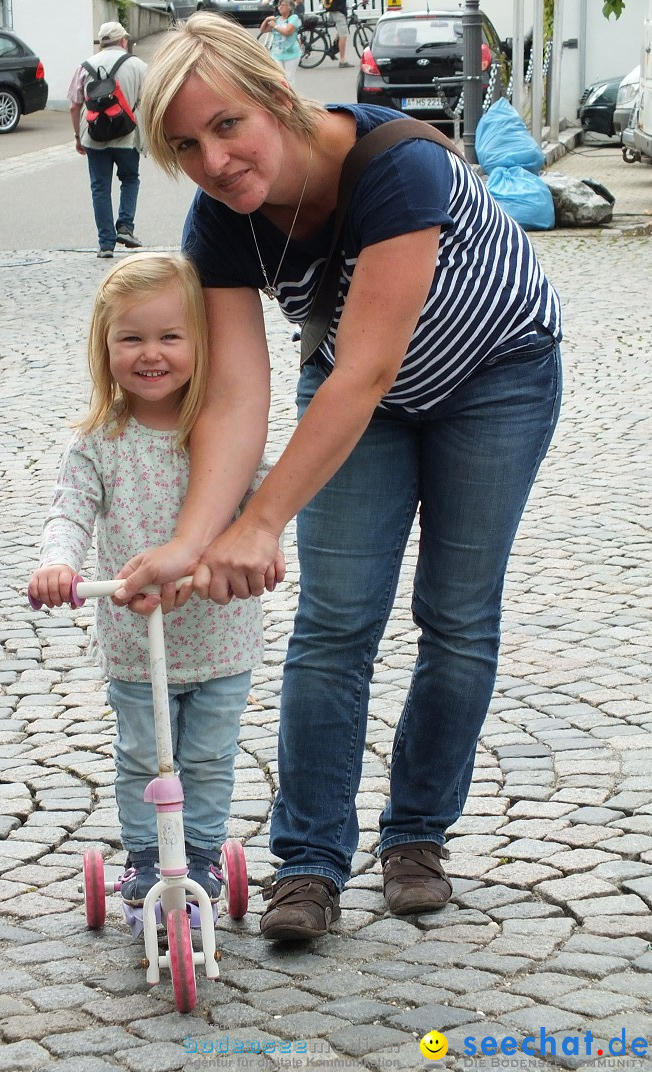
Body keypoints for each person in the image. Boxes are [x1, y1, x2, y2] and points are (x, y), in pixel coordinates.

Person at [112, 13, 563, 939]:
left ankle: (415, 838)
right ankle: (309, 862)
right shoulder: (220, 222)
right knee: (332, 622)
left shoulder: (400, 164)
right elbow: (237, 396)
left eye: (228, 125)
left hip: (498, 378)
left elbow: (366, 367)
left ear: (280, 97)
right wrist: (196, 539)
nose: (214, 162)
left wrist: (263, 520)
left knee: (458, 615)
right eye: (187, 147)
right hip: (366, 393)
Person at [28, 253, 266, 906]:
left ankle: (202, 856)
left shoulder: (220, 431)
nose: (150, 354)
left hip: (220, 635)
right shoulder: (99, 442)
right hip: (136, 642)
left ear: (201, 342)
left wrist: (263, 551)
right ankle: (142, 859)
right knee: (140, 754)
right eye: (131, 338)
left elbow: (256, 508)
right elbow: (70, 509)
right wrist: (59, 564)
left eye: (170, 336)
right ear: (104, 349)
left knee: (211, 756)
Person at [67, 21, 147, 258]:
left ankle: (105, 244)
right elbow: (150, 101)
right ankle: (125, 227)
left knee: (100, 188)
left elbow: (74, 105)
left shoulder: (85, 67)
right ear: (123, 41)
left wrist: (77, 137)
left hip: (94, 136)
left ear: (101, 43)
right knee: (130, 179)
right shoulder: (139, 66)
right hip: (127, 135)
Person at [259, 0, 302, 87]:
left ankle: (291, 97)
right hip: (277, 53)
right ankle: (282, 98)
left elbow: (287, 32)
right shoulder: (277, 19)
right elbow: (263, 30)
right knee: (279, 77)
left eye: (283, 5)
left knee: (289, 78)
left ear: (289, 8)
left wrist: (275, 26)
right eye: (279, 5)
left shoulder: (294, 18)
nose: (280, 7)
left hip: (291, 53)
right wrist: (267, 20)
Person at [324, 0, 352, 67]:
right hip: (339, 13)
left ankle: (332, 51)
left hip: (331, 12)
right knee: (343, 36)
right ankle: (342, 61)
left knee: (340, 33)